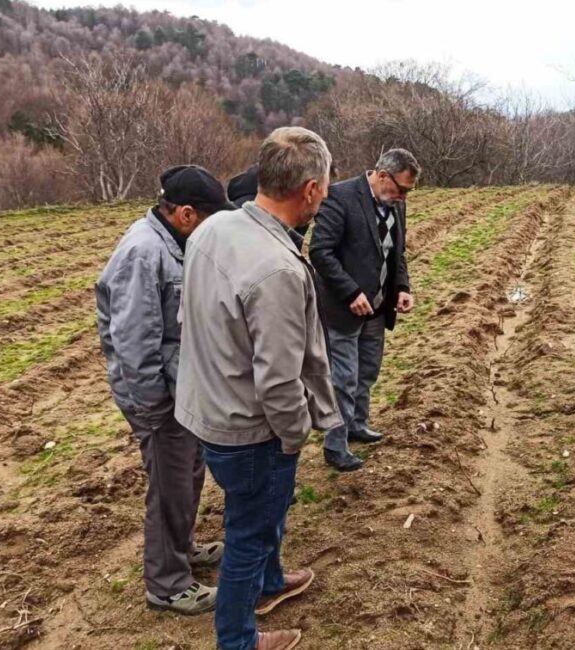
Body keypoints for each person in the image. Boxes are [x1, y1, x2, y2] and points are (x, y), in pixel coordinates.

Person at [176, 127, 342, 650]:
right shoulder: (276, 270)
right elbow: (278, 380)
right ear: (310, 190)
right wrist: (294, 436)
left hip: (209, 408)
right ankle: (238, 639)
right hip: (250, 431)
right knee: (246, 537)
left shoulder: (216, 228)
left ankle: (272, 583)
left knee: (262, 515)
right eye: (327, 186)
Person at [94, 165, 235, 615]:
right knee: (170, 485)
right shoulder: (143, 252)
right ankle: (167, 584)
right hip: (158, 400)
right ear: (188, 214)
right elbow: (134, 342)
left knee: (189, 472)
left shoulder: (170, 243)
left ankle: (184, 549)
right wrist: (154, 408)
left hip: (179, 392)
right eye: (212, 219)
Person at [309, 149, 419, 472]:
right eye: (401, 188)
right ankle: (335, 444)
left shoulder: (397, 205)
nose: (403, 196)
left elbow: (397, 254)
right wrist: (351, 291)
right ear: (383, 176)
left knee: (366, 372)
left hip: (377, 307)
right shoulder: (340, 197)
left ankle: (358, 424)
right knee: (343, 378)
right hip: (343, 309)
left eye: (408, 192)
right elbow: (320, 251)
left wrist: (401, 288)